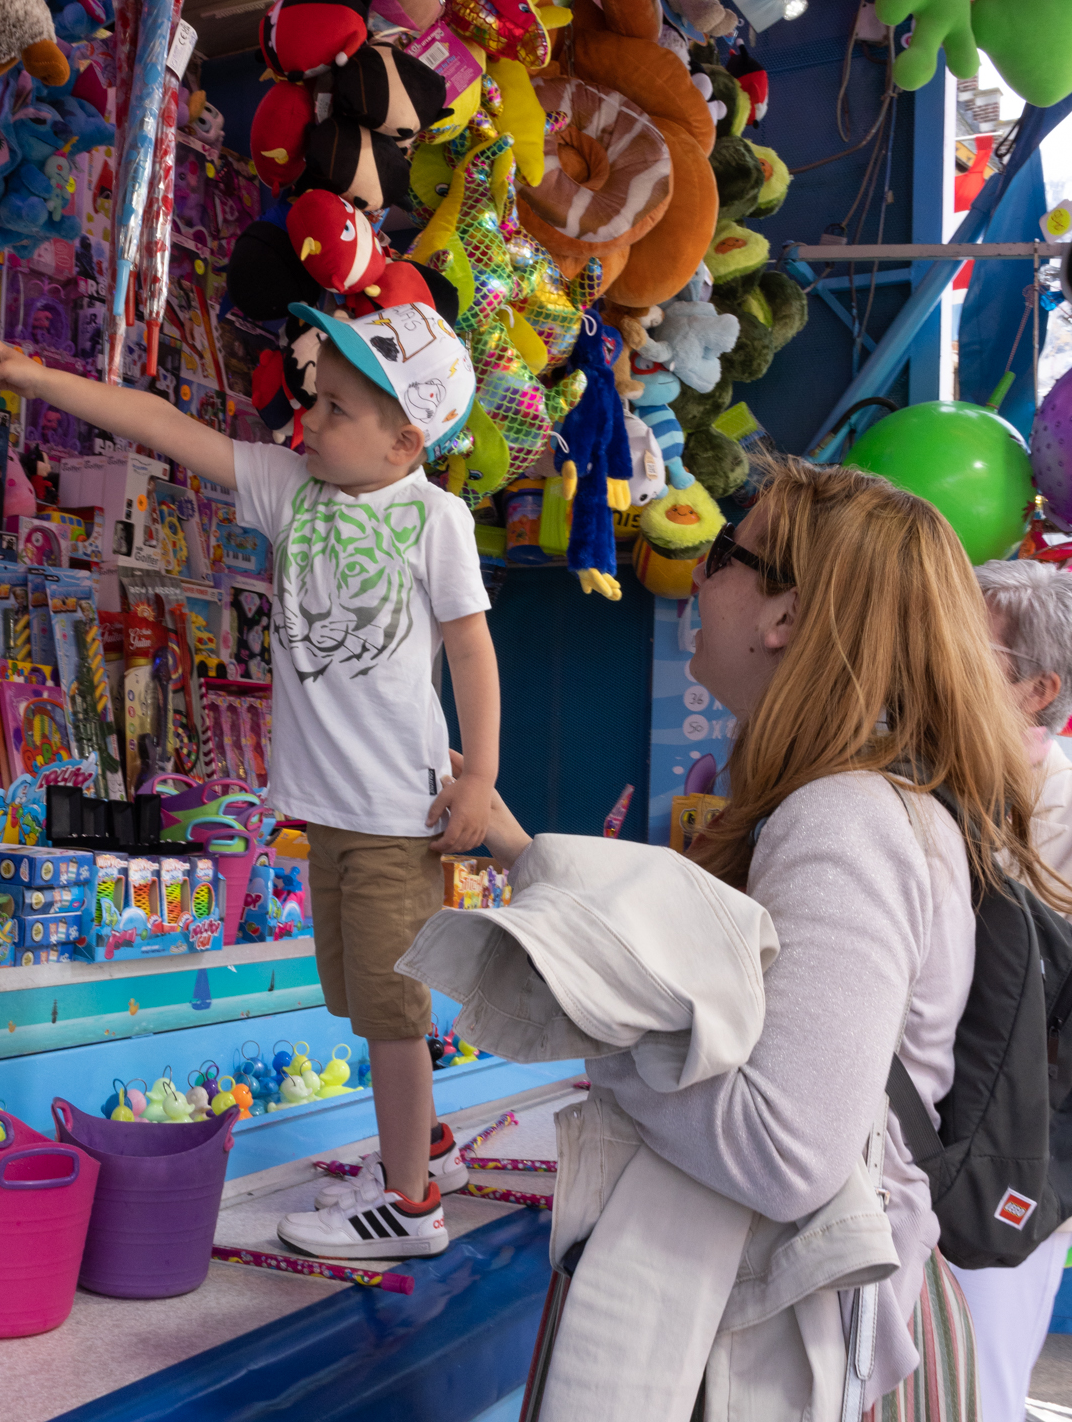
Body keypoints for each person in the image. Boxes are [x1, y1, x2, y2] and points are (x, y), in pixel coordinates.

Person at [447, 457, 1060, 1417]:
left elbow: (786, 1151)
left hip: (784, 1344)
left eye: (729, 555)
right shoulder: (862, 806)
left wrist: (604, 1033)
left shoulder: (843, 820)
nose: (698, 574)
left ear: (786, 617)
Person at [0, 302, 499, 1260]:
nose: (309, 423)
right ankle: (427, 1147)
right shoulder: (291, 488)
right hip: (327, 815)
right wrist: (40, 379)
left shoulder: (436, 518)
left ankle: (413, 1207)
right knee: (359, 1000)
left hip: (396, 816)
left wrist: (482, 778)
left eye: (338, 409)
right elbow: (168, 428)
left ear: (406, 438)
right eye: (316, 399)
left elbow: (472, 651)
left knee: (390, 1014)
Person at [952, 559, 1072, 1422]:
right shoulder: (950, 775)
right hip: (946, 1129)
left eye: (971, 652)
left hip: (1015, 1140)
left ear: (1039, 690)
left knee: (979, 1372)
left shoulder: (1055, 802)